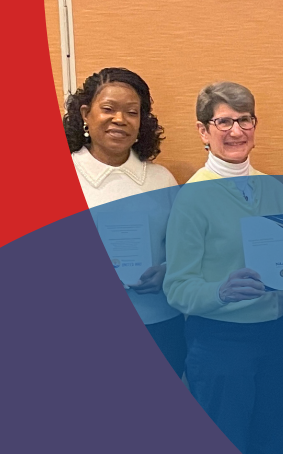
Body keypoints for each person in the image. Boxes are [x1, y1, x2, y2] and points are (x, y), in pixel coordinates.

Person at [162, 81, 283, 454]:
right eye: (224, 122)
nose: (237, 131)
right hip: (219, 344)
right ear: (203, 131)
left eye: (245, 120)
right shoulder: (192, 198)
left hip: (274, 340)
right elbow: (177, 287)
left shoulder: (274, 190)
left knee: (272, 443)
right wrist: (220, 292)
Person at [64, 67, 186, 378]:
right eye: (108, 109)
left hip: (160, 326)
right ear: (85, 114)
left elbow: (186, 248)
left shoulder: (161, 179)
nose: (120, 119)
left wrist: (168, 270)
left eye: (132, 112)